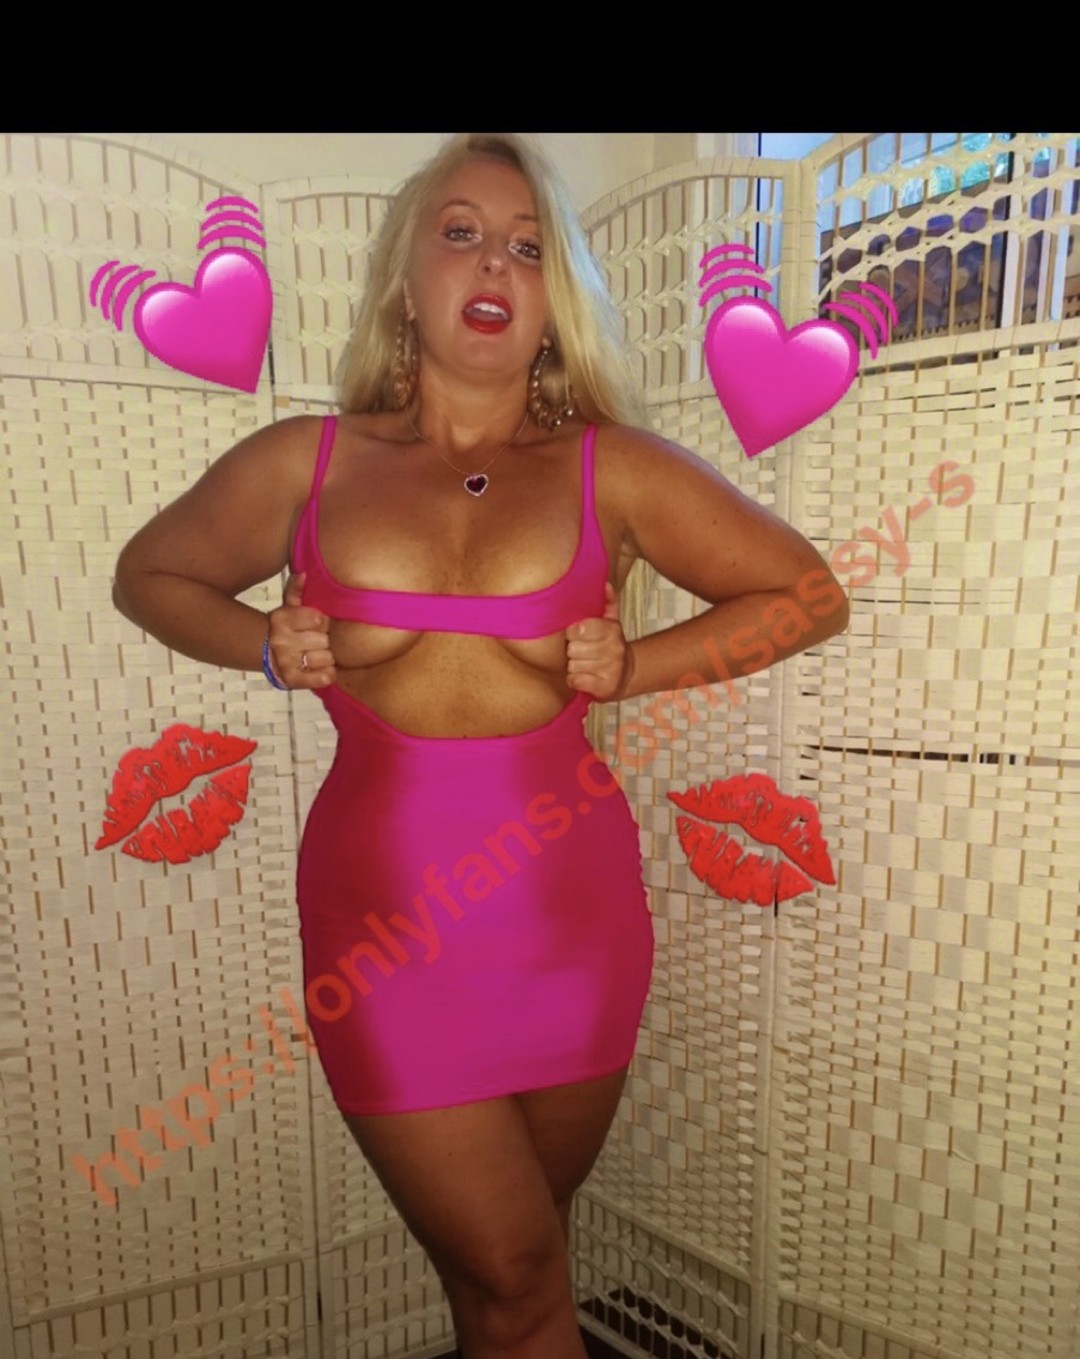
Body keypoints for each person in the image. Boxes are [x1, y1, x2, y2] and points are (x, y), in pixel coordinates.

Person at [112, 133, 849, 1359]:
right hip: (387, 935)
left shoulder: (610, 469)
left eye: (527, 245)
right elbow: (150, 575)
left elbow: (808, 595)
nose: (494, 262)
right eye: (460, 234)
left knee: (511, 1279)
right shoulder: (309, 461)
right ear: (407, 282)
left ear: (555, 302)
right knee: (517, 1279)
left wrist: (640, 666)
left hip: (572, 927)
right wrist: (265, 645)